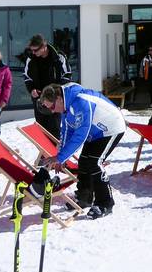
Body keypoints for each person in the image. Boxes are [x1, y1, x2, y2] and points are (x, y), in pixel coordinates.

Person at [40, 82, 126, 219]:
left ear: (59, 98)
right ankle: (84, 197)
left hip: (112, 127)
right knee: (84, 162)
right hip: (96, 132)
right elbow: (67, 132)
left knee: (94, 162)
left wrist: (60, 158)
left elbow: (80, 135)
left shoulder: (81, 101)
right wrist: (61, 156)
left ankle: (105, 203)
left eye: (52, 107)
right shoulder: (66, 107)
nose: (52, 111)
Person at [20, 35, 69, 140]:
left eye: (35, 50)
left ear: (44, 46)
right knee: (41, 129)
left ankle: (56, 149)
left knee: (55, 128)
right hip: (39, 98)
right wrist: (31, 89)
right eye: (32, 50)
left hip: (55, 98)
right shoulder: (31, 59)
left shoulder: (58, 57)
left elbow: (67, 75)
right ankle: (43, 150)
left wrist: (57, 91)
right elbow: (27, 77)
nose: (33, 53)